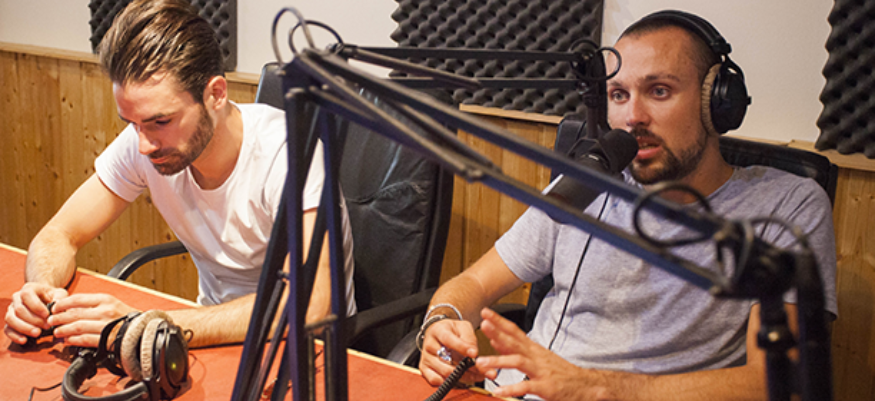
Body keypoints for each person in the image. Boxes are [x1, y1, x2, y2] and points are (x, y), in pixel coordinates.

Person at [417, 10, 837, 401]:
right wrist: (442, 320)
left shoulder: (785, 205)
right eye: (618, 94)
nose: (633, 116)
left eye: (659, 91)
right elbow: (473, 285)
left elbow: (778, 379)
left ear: (716, 104)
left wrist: (593, 387)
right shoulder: (585, 184)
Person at [4, 0, 355, 349]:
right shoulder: (148, 139)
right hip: (209, 336)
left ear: (216, 94)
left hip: (306, 350)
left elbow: (310, 303)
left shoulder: (288, 152)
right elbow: (59, 235)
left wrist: (147, 325)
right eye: (132, 124)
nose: (144, 145)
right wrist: (41, 290)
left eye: (161, 121)